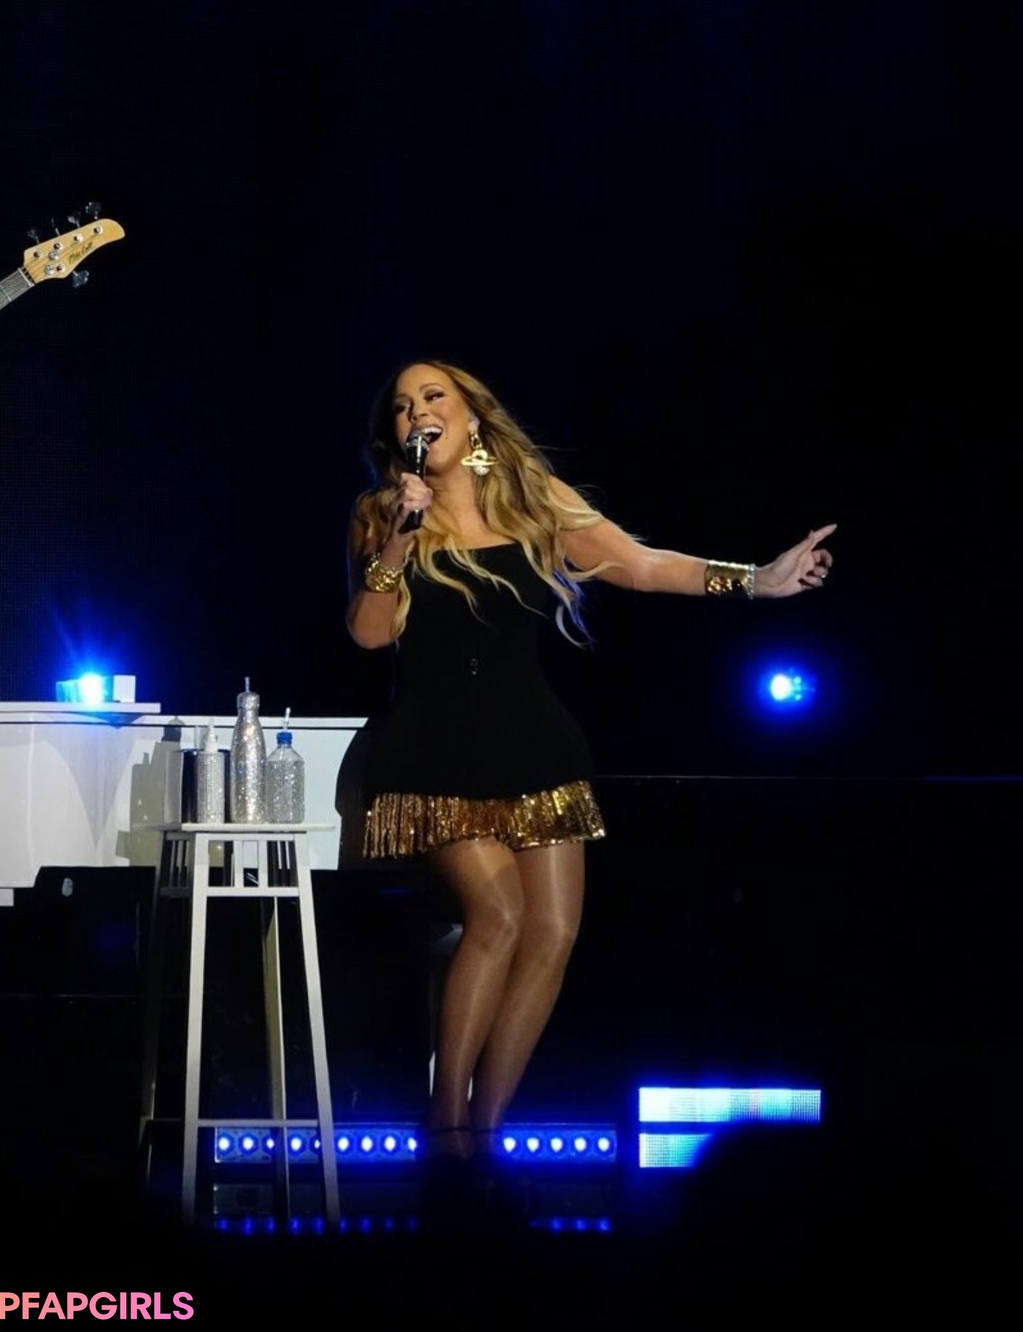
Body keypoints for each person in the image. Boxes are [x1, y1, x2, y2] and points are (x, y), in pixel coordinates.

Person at [345, 359, 834, 1190]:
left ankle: (487, 1134)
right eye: (401, 406)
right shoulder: (381, 513)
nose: (416, 413)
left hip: (535, 749)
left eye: (433, 397)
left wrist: (754, 581)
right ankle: (446, 1125)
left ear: (472, 416)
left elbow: (641, 565)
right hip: (433, 753)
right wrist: (398, 533)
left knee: (553, 933)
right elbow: (367, 633)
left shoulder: (530, 499)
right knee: (497, 912)